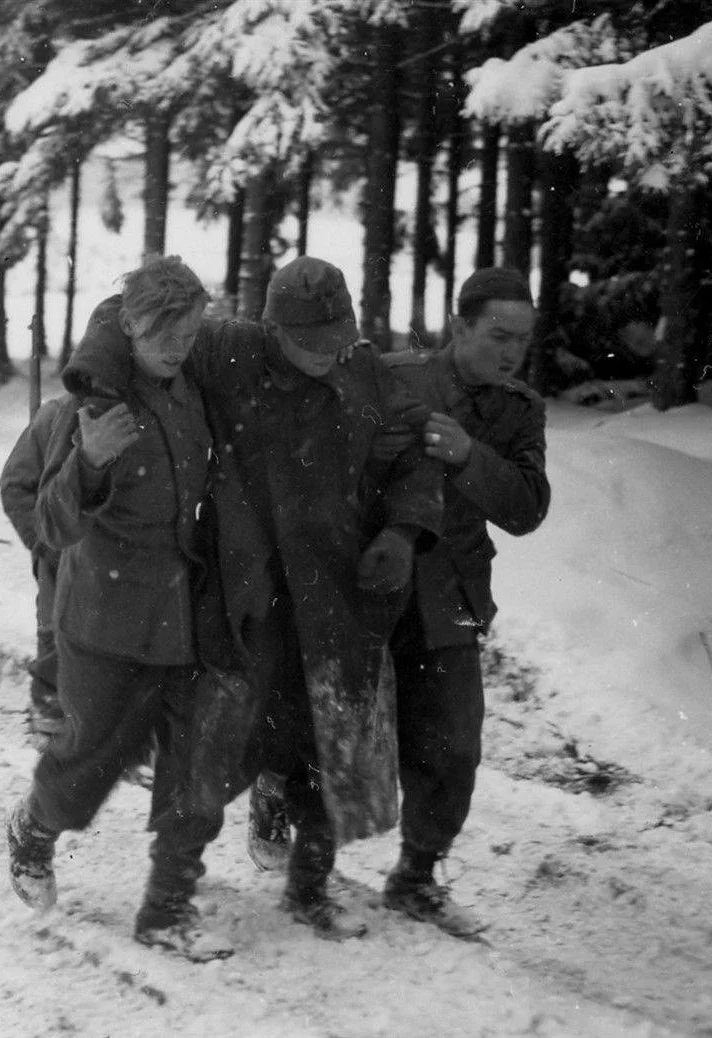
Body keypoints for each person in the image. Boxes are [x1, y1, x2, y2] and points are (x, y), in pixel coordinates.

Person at [185, 256, 446, 940]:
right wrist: (92, 386)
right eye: (315, 344)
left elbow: (416, 451)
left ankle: (308, 888)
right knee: (237, 733)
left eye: (342, 338)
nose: (333, 356)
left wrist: (401, 530)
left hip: (336, 594)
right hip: (254, 588)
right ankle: (174, 879)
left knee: (335, 738)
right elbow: (128, 326)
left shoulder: (362, 370)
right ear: (274, 330)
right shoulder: (230, 349)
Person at [4, 256, 231, 961]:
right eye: (162, 327)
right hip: (103, 620)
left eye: (188, 327)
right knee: (89, 763)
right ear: (129, 323)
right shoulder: (92, 407)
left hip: (183, 618)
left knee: (198, 769)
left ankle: (166, 911)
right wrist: (89, 462)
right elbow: (50, 526)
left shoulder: (193, 391)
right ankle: (34, 830)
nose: (176, 341)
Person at [377, 266, 552, 935]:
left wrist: (468, 455)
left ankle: (416, 876)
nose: (511, 352)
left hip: (448, 594)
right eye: (498, 335)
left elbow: (527, 509)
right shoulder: (397, 377)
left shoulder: (518, 410)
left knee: (452, 744)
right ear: (460, 327)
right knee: (327, 721)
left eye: (523, 340)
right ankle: (303, 846)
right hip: (375, 581)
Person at [0, 395, 69, 740]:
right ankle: (49, 710)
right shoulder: (55, 417)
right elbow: (16, 485)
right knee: (56, 630)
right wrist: (46, 543)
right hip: (65, 561)